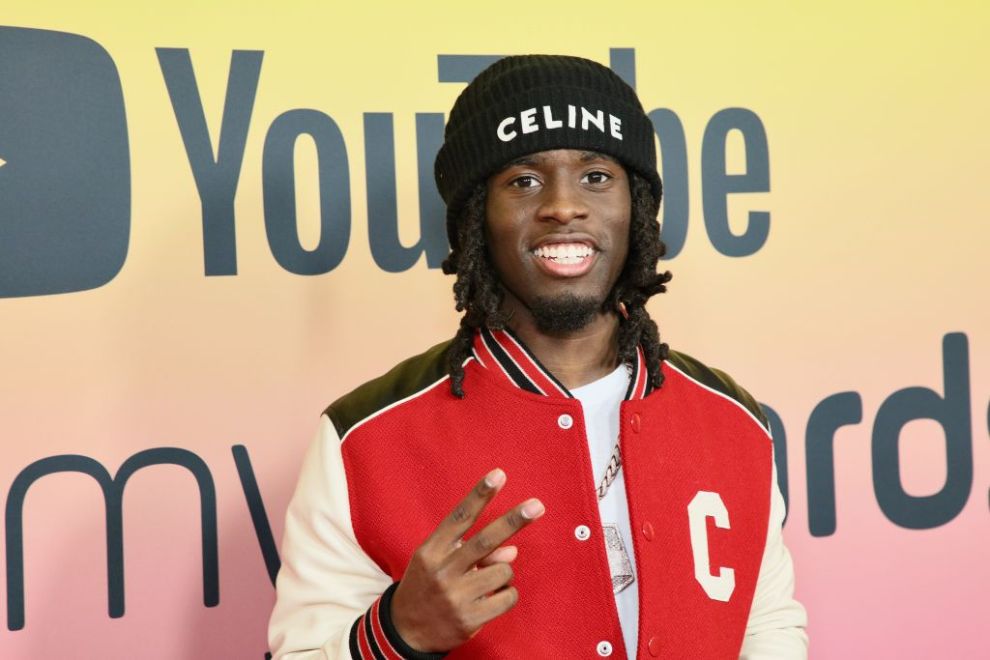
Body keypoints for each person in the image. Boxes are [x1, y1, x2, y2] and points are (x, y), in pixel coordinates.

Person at [268, 54, 808, 659]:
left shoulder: (732, 419)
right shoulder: (363, 439)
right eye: (523, 181)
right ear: (476, 218)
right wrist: (400, 634)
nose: (563, 205)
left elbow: (768, 628)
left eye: (597, 176)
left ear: (638, 207)